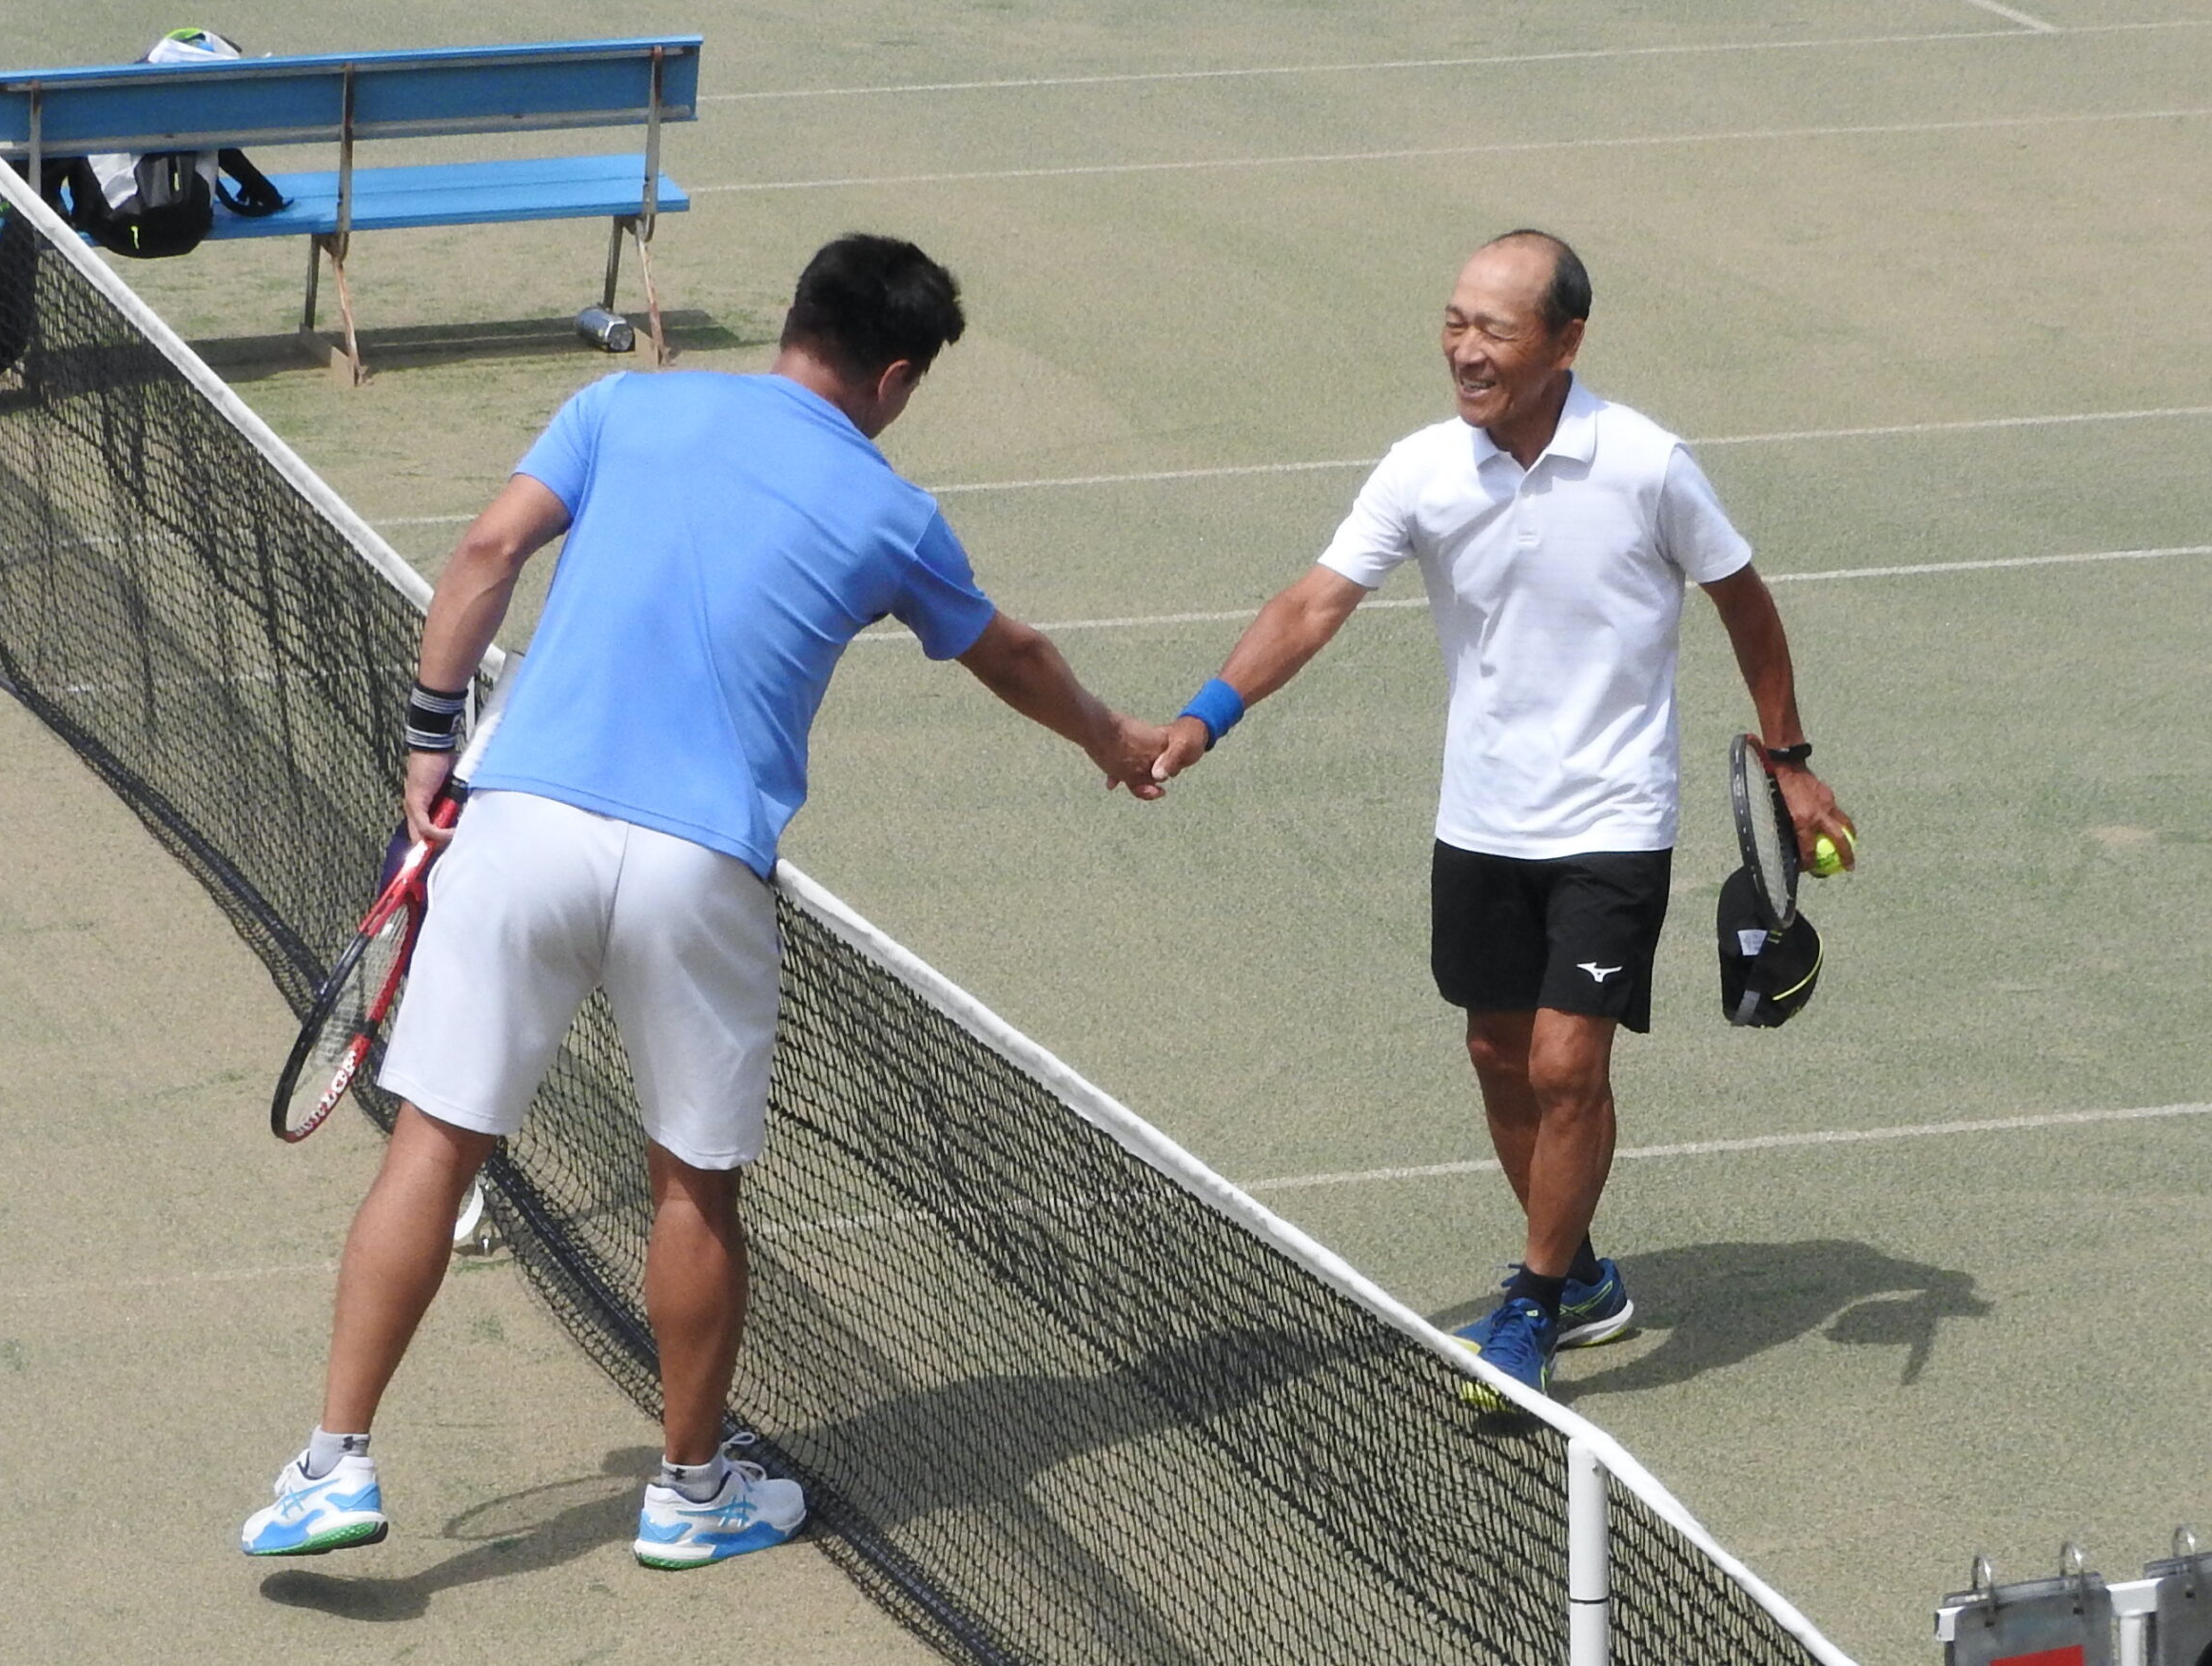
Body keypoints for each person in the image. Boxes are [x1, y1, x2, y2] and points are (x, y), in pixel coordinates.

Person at [243, 233, 1167, 1563]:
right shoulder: (895, 515)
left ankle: (333, 1465)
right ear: (894, 377)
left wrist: (430, 742)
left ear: (795, 320)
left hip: (522, 825)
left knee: (433, 1145)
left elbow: (486, 551)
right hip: (698, 871)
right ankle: (689, 1492)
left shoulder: (622, 404)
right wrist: (1111, 739)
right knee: (694, 1183)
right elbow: (1010, 653)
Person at [1152, 229, 1854, 1401]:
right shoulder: (1423, 468)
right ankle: (1580, 1275)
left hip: (1614, 814)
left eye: (1493, 328)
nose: (1464, 349)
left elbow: (1742, 598)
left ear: (1564, 342)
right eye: (1453, 322)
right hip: (1481, 815)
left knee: (1566, 1062)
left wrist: (1787, 757)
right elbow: (1314, 602)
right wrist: (1205, 714)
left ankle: (1530, 1304)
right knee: (1496, 1053)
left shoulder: (1646, 464)